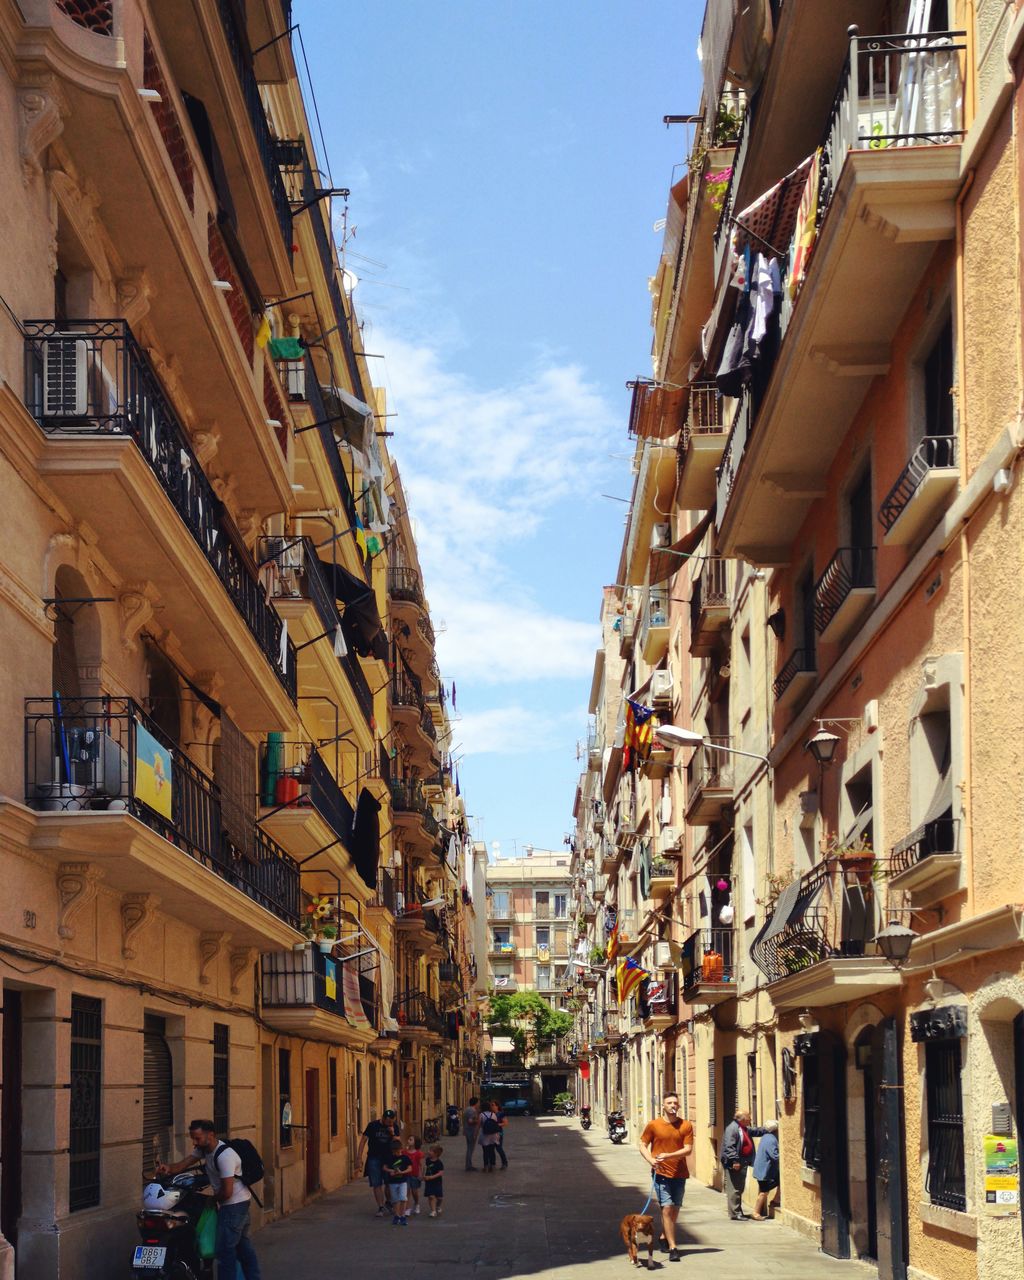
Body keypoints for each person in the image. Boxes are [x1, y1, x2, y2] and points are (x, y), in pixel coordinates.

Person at [156, 1119, 261, 1279]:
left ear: (210, 1135)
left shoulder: (225, 1156)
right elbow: (183, 1164)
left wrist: (212, 1200)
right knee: (243, 1249)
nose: (194, 1142)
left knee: (225, 1253)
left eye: (197, 1138)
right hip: (237, 1205)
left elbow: (227, 1192)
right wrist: (169, 1168)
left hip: (234, 1207)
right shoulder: (204, 1149)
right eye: (193, 1138)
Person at [639, 1092, 694, 1263]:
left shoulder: (686, 1125)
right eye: (669, 1102)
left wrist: (668, 1156)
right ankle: (673, 1247)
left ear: (678, 1106)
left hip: (680, 1174)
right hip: (660, 1173)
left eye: (675, 1103)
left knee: (675, 1210)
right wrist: (651, 1160)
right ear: (663, 1106)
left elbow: (688, 1149)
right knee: (667, 1209)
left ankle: (664, 1236)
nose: (672, 1105)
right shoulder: (653, 1125)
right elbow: (642, 1144)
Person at [720, 1109, 765, 1220]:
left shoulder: (742, 1127)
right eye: (749, 1118)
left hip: (742, 1161)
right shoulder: (733, 1128)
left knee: (739, 1188)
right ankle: (735, 1213)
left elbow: (754, 1131)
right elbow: (729, 1146)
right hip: (736, 1163)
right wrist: (735, 1161)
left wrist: (767, 1129)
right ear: (743, 1119)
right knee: (735, 1188)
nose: (750, 1119)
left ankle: (737, 1211)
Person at [357, 1108, 402, 1216]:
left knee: (389, 1182)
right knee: (376, 1183)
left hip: (388, 1158)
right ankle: (380, 1207)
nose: (390, 1124)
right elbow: (363, 1140)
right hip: (374, 1157)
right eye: (389, 1122)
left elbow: (398, 1142)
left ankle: (388, 1202)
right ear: (384, 1118)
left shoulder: (394, 1127)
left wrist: (392, 1133)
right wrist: (359, 1158)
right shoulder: (373, 1125)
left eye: (392, 1121)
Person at [751, 1121, 780, 1220]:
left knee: (779, 1180)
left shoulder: (766, 1136)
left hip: (762, 1169)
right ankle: (756, 1213)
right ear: (775, 1130)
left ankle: (775, 1200)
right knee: (764, 1192)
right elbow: (774, 1156)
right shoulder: (771, 1139)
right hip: (764, 1170)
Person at [383, 1138, 412, 1225]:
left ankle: (402, 1216)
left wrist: (402, 1172)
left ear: (401, 1149)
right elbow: (384, 1167)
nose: (397, 1153)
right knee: (395, 1200)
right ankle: (397, 1215)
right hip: (392, 1182)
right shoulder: (389, 1158)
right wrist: (390, 1171)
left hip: (403, 1181)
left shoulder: (405, 1158)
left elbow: (410, 1168)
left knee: (403, 1198)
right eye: (395, 1152)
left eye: (398, 1151)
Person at [479, 1098, 502, 1171]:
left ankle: (485, 1166)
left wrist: (475, 1134)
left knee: (485, 1151)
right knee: (492, 1150)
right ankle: (492, 1165)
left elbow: (478, 1125)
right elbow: (496, 1124)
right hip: (493, 1135)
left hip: (485, 1135)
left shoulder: (481, 1115)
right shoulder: (493, 1114)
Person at [404, 1135, 425, 1215]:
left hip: (415, 1175)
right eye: (408, 1139)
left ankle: (416, 1204)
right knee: (406, 1191)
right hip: (406, 1174)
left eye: (410, 1139)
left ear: (415, 1143)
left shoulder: (419, 1153)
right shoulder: (404, 1152)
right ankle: (407, 1208)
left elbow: (422, 1165)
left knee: (414, 1192)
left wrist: (421, 1174)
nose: (408, 1140)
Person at [424, 1144, 445, 1217]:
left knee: (439, 1198)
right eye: (429, 1150)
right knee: (431, 1196)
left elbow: (441, 1173)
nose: (428, 1151)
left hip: (437, 1182)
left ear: (436, 1154)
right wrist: (424, 1175)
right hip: (428, 1182)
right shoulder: (427, 1160)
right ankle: (433, 1211)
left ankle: (438, 1206)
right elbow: (425, 1167)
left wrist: (432, 1177)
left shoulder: (439, 1163)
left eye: (430, 1151)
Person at [463, 1096, 481, 1170]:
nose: (479, 1104)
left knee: (470, 1148)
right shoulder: (472, 1110)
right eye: (478, 1102)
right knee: (470, 1148)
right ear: (476, 1103)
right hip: (471, 1131)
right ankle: (468, 1165)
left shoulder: (467, 1109)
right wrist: (478, 1121)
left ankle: (468, 1164)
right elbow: (470, 1121)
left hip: (468, 1131)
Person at [491, 1099, 509, 1169]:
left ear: (497, 1106)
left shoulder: (501, 1113)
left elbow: (506, 1123)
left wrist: (497, 1124)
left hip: (499, 1133)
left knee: (499, 1148)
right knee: (491, 1149)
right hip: (491, 1133)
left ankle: (504, 1163)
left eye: (493, 1105)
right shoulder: (491, 1114)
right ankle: (493, 1163)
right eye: (491, 1105)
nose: (492, 1107)